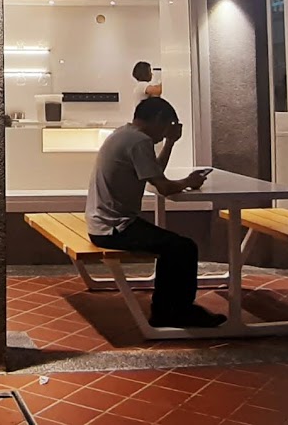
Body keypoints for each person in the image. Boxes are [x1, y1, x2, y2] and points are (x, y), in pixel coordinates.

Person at [87, 96, 225, 328]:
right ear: (160, 118)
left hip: (102, 222)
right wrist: (188, 182)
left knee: (173, 246)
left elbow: (154, 172)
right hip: (115, 227)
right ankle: (174, 311)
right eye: (168, 125)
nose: (166, 132)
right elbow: (164, 187)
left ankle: (169, 308)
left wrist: (170, 143)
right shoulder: (139, 141)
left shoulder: (124, 134)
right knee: (183, 248)